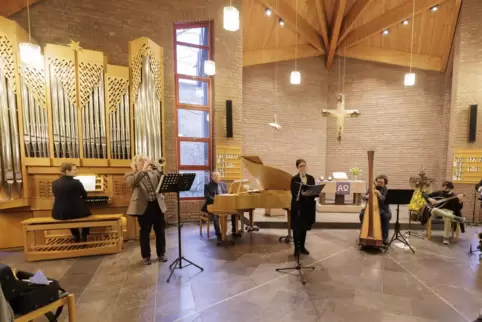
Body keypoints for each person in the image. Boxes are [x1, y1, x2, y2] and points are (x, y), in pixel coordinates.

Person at [125, 155, 167, 265]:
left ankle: (161, 253)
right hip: (144, 207)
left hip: (157, 206)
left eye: (145, 160)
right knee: (144, 232)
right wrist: (143, 170)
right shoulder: (130, 175)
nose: (145, 162)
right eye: (141, 161)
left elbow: (164, 181)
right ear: (135, 164)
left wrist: (158, 168)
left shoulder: (154, 173)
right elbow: (131, 183)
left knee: (160, 231)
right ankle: (146, 256)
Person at [51, 163, 91, 242]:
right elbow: (84, 195)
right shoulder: (76, 182)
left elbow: (56, 195)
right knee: (88, 215)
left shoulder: (54, 183)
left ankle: (76, 235)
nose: (77, 171)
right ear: (67, 171)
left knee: (70, 215)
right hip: (74, 212)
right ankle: (84, 235)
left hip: (58, 213)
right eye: (74, 170)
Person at [423, 180, 465, 245]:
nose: (445, 187)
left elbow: (459, 208)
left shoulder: (454, 196)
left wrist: (460, 201)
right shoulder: (439, 193)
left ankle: (446, 238)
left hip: (448, 211)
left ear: (451, 187)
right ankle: (455, 217)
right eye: (444, 186)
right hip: (438, 210)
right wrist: (429, 199)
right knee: (434, 210)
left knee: (447, 218)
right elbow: (424, 194)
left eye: (447, 186)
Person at [202, 170, 240, 242]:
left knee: (234, 212)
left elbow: (227, 194)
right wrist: (216, 201)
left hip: (223, 204)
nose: (217, 177)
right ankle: (218, 234)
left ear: (220, 177)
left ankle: (234, 231)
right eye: (215, 175)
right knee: (214, 215)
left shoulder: (223, 184)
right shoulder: (207, 185)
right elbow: (207, 196)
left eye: (218, 175)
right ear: (212, 177)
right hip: (212, 205)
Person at [290, 159, 316, 256]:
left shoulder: (311, 178)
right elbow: (294, 193)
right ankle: (296, 249)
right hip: (298, 206)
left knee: (304, 228)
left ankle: (302, 247)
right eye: (301, 166)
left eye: (304, 165)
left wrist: (316, 193)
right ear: (297, 167)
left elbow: (313, 191)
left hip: (307, 206)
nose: (303, 167)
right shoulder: (294, 179)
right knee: (297, 228)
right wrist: (303, 193)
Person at [359, 175, 392, 244]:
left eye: (381, 182)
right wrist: (366, 196)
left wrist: (379, 195)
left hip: (382, 209)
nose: (379, 183)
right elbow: (363, 197)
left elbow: (385, 200)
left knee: (386, 217)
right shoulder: (371, 188)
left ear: (385, 183)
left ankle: (385, 237)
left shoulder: (385, 189)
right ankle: (364, 232)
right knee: (362, 214)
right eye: (378, 182)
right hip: (371, 207)